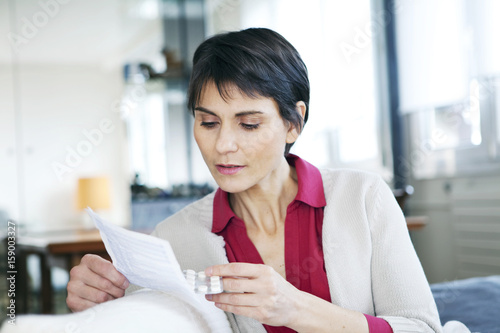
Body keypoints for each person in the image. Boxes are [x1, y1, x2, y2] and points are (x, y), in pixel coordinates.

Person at [66, 28, 442, 332]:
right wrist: (103, 306)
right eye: (208, 122)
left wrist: (296, 309)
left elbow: (422, 328)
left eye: (248, 124)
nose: (223, 145)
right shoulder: (173, 239)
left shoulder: (362, 198)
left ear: (293, 122)